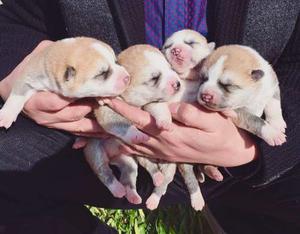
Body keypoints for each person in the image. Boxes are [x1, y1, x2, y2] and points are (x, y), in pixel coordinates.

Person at [0, 0, 299, 233]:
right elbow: (12, 21)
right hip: (97, 134)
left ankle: (245, 217)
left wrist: (252, 148)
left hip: (249, 152)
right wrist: (22, 69)